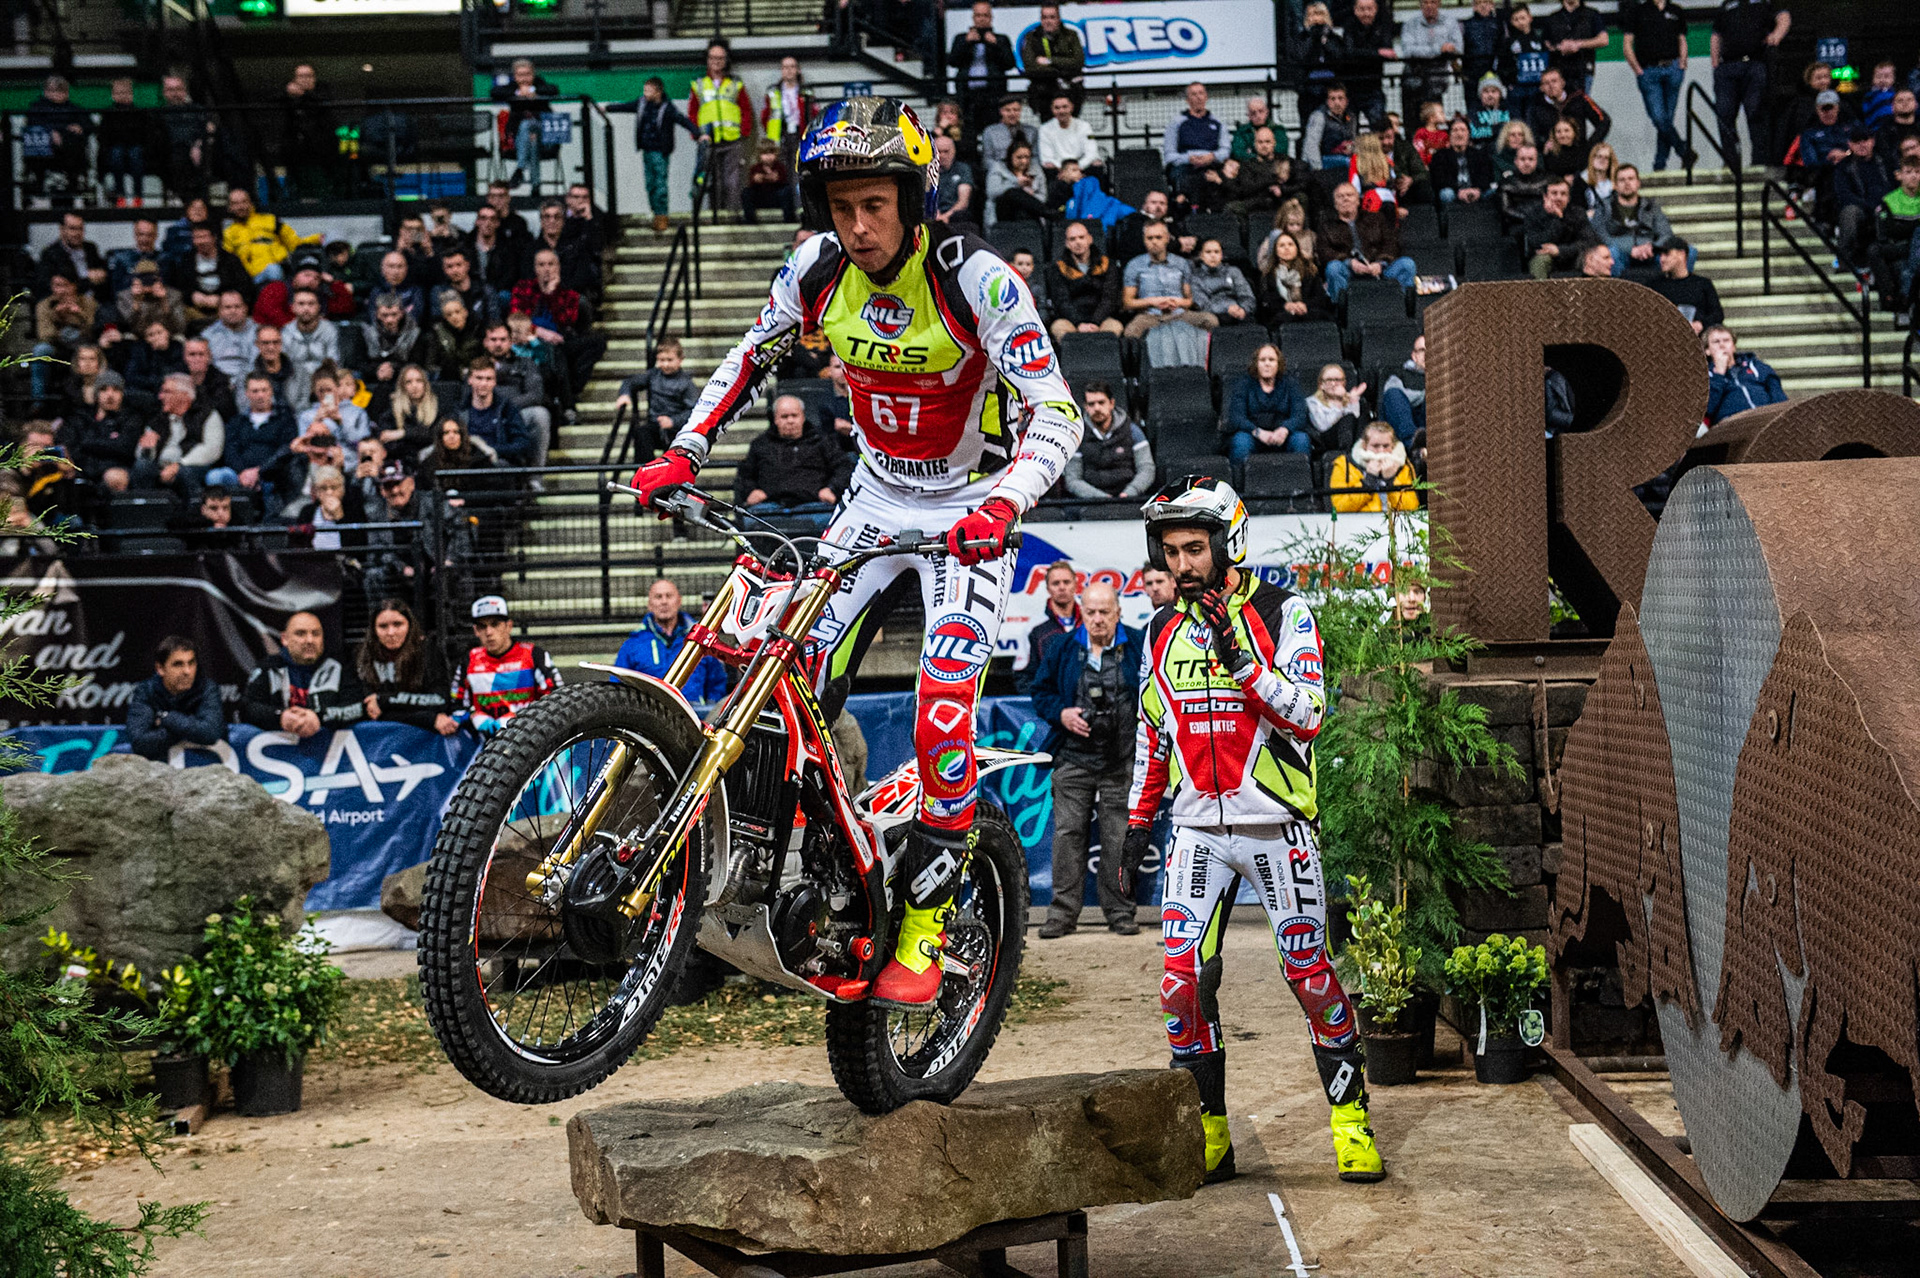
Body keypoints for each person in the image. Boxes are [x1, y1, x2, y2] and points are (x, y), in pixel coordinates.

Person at [628, 99, 1080, 1005]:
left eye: (876, 205)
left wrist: (1005, 502)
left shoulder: (978, 282)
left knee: (942, 713)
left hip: (969, 510)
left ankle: (923, 930)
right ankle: (782, 877)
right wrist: (685, 450)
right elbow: (751, 356)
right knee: (779, 680)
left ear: (914, 201)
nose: (859, 226)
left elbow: (1057, 412)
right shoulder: (815, 270)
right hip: (873, 500)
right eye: (842, 208)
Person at [1128, 475, 1382, 1186]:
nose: (1181, 565)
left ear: (1228, 544)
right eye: (1172, 551)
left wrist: (1241, 661)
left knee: (1310, 975)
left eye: (1195, 549)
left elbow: (1307, 713)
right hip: (1197, 834)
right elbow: (1156, 731)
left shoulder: (1284, 610)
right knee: (1180, 987)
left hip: (1277, 827)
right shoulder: (1157, 628)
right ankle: (1211, 1133)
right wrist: (1137, 820)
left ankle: (1350, 1122)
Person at [1031, 581, 1143, 938]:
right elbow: (1040, 691)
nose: (1097, 620)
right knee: (1068, 836)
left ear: (1118, 613)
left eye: (1104, 612)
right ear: (1082, 612)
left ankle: (1121, 913)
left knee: (1118, 837)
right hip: (1073, 758)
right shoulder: (1063, 647)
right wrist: (1061, 714)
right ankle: (1062, 916)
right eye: (1091, 612)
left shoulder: (1139, 645)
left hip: (1121, 759)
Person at [240, 610, 365, 739]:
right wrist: (281, 716)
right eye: (300, 634)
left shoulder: (340, 667)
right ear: (285, 639)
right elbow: (247, 709)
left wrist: (319, 717)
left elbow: (357, 708)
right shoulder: (269, 668)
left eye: (316, 634)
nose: (310, 640)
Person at [452, 595, 560, 734]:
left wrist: (520, 718)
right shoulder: (469, 660)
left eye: (495, 624)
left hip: (529, 736)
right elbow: (456, 706)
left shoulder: (534, 655)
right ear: (476, 631)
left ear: (508, 626)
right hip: (484, 741)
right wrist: (473, 716)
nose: (489, 632)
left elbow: (556, 699)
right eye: (482, 627)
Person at [734, 394, 850, 521]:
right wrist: (751, 491)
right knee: (752, 521)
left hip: (815, 506)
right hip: (770, 508)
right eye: (784, 416)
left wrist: (832, 489)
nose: (790, 421)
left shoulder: (823, 441)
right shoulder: (761, 444)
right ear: (775, 419)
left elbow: (843, 467)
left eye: (794, 415)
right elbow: (744, 475)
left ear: (803, 417)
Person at [612, 577, 728, 704]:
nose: (664, 602)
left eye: (669, 596)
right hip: (652, 718)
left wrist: (708, 711)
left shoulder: (699, 641)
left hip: (694, 717)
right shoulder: (633, 645)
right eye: (658, 597)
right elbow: (617, 686)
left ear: (679, 601)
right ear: (649, 604)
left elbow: (717, 682)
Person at [610, 75, 699, 235]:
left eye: (648, 90)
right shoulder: (642, 104)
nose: (645, 93)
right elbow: (626, 107)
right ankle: (655, 212)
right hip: (647, 150)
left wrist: (698, 133)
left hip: (660, 151)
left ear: (658, 91)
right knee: (650, 184)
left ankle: (661, 215)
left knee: (660, 184)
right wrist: (608, 108)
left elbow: (683, 120)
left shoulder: (668, 108)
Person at [1710, 0, 1789, 172]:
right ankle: (1731, 162)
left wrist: (1777, 35)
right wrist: (1715, 62)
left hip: (1755, 64)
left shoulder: (1765, 2)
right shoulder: (1726, 5)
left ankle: (1759, 161)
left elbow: (1783, 16)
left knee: (1756, 113)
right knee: (1724, 114)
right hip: (1728, 66)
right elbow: (1716, 34)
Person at [356, 599, 456, 734]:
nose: (391, 632)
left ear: (410, 625)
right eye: (383, 626)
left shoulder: (427, 652)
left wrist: (385, 700)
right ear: (374, 630)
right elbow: (370, 712)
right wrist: (428, 719)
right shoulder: (363, 657)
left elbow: (440, 701)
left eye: (398, 624)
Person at [125, 636, 225, 761]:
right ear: (160, 669)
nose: (187, 671)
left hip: (204, 770)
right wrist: (190, 728)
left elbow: (210, 733)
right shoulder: (146, 691)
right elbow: (140, 742)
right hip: (158, 772)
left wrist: (167, 718)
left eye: (191, 663)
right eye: (178, 664)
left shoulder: (207, 688)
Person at [1623, 0, 1695, 172]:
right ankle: (1684, 151)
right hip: (1648, 70)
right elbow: (1627, 43)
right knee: (1659, 118)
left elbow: (1682, 39)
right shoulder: (1638, 11)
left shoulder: (1676, 10)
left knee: (1666, 120)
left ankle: (1660, 164)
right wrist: (1637, 69)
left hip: (1673, 69)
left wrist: (1683, 63)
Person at [211, 372, 298, 508]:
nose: (260, 395)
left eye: (264, 390)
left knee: (280, 479)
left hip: (272, 473)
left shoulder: (285, 420)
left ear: (271, 392)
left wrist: (260, 471)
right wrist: (243, 473)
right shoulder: (237, 421)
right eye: (255, 391)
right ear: (247, 393)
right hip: (239, 474)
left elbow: (286, 450)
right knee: (215, 477)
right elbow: (230, 450)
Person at [687, 41, 754, 216]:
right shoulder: (699, 84)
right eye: (713, 57)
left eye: (720, 58)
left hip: (732, 140)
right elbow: (692, 112)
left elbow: (746, 109)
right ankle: (715, 217)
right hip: (708, 140)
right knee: (711, 182)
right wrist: (697, 135)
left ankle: (732, 216)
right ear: (708, 60)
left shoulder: (736, 84)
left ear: (726, 60)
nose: (716, 61)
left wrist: (744, 131)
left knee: (732, 181)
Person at [1319, 182, 1416, 301]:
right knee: (1333, 268)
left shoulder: (1376, 218)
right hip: (1348, 270)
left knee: (1407, 264)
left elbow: (1391, 243)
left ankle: (1407, 308)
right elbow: (1324, 252)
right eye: (1340, 196)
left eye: (1349, 195)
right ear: (1335, 204)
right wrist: (1350, 262)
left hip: (1379, 268)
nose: (1345, 199)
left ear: (1358, 200)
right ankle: (1340, 309)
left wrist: (1381, 263)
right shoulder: (1327, 226)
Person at [135, 373, 225, 499]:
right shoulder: (158, 419)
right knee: (142, 467)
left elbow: (212, 450)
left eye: (167, 392)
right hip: (161, 467)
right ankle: (146, 512)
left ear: (184, 395)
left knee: (186, 473)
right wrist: (147, 449)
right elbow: (141, 454)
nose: (160, 396)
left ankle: (194, 513)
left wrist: (179, 465)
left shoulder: (207, 415)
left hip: (192, 466)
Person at [1063, 382, 1153, 501]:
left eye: (1101, 402)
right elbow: (1072, 479)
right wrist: (1102, 498)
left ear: (1111, 403)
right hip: (1090, 503)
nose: (1097, 408)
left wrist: (1129, 493)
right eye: (1091, 404)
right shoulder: (1076, 435)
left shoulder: (1133, 431)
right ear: (1085, 407)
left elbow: (1147, 469)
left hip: (1130, 500)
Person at [1122, 220, 1211, 340]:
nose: (1154, 242)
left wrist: (1175, 302)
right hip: (1149, 316)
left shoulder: (1181, 263)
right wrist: (1153, 302)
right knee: (1130, 333)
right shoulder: (1134, 265)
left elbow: (1189, 300)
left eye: (1158, 237)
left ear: (1167, 239)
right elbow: (1128, 303)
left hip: (1179, 313)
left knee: (1210, 321)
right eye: (1150, 238)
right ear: (1144, 240)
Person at [1225, 344, 1309, 467]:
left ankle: (1301, 483)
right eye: (1262, 360)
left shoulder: (1291, 384)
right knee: (1240, 442)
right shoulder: (1243, 384)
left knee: (1301, 440)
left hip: (1283, 436)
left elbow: (1300, 414)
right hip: (1253, 434)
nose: (1267, 364)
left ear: (1278, 364)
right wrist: (1258, 432)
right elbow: (1236, 417)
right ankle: (1238, 484)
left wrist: (1285, 429)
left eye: (1271, 360)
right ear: (1256, 364)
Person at [613, 338, 696, 462]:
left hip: (677, 429)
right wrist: (625, 394)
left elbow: (694, 410)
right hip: (655, 425)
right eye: (662, 360)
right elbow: (631, 381)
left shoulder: (687, 383)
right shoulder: (653, 375)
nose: (666, 364)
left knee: (677, 447)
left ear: (680, 360)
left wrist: (673, 421)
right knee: (641, 433)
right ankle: (645, 474)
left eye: (670, 360)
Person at [1040, 221, 1123, 339]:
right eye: (1072, 239)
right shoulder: (1058, 268)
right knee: (1058, 328)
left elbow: (1109, 298)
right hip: (1071, 320)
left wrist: (1095, 322)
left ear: (1090, 239)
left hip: (1102, 319)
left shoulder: (1107, 264)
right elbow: (1062, 301)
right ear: (1067, 244)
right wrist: (1079, 323)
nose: (1077, 242)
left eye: (1081, 237)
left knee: (1115, 327)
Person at [491, 57, 561, 192]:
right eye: (520, 75)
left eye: (527, 74)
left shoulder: (540, 84)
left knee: (529, 127)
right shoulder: (512, 88)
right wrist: (518, 93)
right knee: (530, 137)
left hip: (546, 138)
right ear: (515, 76)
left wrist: (534, 92)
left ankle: (520, 169)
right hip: (518, 140)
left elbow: (553, 89)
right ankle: (536, 186)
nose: (524, 78)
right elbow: (494, 92)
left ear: (533, 74)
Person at [1592, 165, 1675, 276]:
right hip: (1619, 253)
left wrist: (1652, 247)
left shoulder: (1651, 207)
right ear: (1615, 185)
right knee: (1611, 253)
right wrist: (1630, 249)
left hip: (1649, 252)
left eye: (1631, 179)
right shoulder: (1604, 206)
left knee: (1688, 252)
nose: (1627, 183)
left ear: (1638, 183)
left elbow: (1666, 234)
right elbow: (1600, 234)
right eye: (1622, 180)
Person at [222, 188, 315, 286]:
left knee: (273, 269)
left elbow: (294, 242)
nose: (240, 207)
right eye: (235, 203)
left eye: (244, 202)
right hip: (249, 278)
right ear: (230, 207)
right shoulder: (228, 232)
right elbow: (227, 259)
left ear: (251, 203)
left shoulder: (270, 220)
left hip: (276, 270)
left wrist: (317, 238)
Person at [948, 1, 1016, 133]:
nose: (982, 19)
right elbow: (953, 62)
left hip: (992, 96)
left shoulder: (1001, 39)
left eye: (985, 15)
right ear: (973, 18)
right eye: (978, 15)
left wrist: (995, 44)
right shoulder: (961, 38)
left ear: (991, 18)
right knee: (968, 131)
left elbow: (1009, 63)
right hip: (967, 96)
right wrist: (967, 43)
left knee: (992, 131)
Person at [460, 359, 537, 468]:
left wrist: (492, 449)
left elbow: (522, 444)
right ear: (470, 380)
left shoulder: (506, 408)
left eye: (488, 379)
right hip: (468, 465)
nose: (483, 383)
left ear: (495, 382)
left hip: (499, 464)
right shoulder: (460, 410)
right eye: (479, 378)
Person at [1834, 128, 1892, 272]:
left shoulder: (1886, 161)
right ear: (1850, 144)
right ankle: (1844, 260)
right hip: (1862, 210)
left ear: (1872, 141)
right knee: (1850, 212)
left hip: (1890, 206)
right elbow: (1844, 195)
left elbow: (1897, 186)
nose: (1861, 145)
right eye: (1856, 142)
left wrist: (1885, 205)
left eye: (1865, 140)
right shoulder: (1843, 167)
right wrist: (1870, 207)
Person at [1330, 420, 1419, 512]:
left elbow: (1412, 508)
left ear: (1393, 445)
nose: (1381, 451)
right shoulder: (1343, 464)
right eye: (1375, 446)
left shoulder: (1404, 466)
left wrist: (1391, 481)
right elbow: (1339, 508)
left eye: (1386, 446)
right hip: (1360, 523)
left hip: (1394, 522)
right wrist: (1369, 481)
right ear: (1364, 445)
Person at [1162, 82, 1226, 208]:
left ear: (1206, 97)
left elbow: (1225, 150)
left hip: (1211, 163)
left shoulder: (1218, 122)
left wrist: (1212, 157)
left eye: (1201, 93)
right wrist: (1188, 158)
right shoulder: (1176, 123)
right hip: (1185, 166)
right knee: (1189, 179)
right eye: (1194, 94)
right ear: (1187, 100)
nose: (1198, 97)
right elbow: (1169, 155)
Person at [1704, 324, 1785, 424]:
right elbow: (1707, 409)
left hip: (1765, 417)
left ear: (1733, 346)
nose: (1722, 345)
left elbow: (1778, 395)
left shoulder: (1756, 366)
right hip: (1731, 423)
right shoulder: (1705, 376)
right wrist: (1719, 374)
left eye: (1726, 340)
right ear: (1707, 350)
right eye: (1716, 342)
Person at [1398, 0, 1464, 120]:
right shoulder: (1410, 24)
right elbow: (1408, 51)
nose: (1429, 6)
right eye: (1425, 2)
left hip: (1438, 81)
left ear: (1439, 3)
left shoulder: (1450, 22)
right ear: (1420, 5)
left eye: (1433, 2)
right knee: (1412, 122)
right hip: (1413, 80)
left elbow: (1458, 48)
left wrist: (1446, 49)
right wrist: (1439, 49)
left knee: (1434, 121)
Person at [1023, 560, 1081, 689]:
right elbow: (1024, 676)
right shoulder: (1035, 628)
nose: (1062, 587)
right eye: (1056, 583)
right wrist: (1045, 702)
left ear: (1076, 585)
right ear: (1048, 588)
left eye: (1066, 582)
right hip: (1052, 704)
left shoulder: (1091, 621)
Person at [1524, 177, 1599, 278]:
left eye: (1563, 194)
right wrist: (1557, 220)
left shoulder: (1578, 213)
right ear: (1545, 196)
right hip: (1547, 258)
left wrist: (1559, 250)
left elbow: (1588, 242)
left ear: (1568, 198)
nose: (1558, 197)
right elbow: (1537, 243)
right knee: (1540, 260)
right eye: (1554, 193)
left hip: (1572, 256)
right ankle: (1540, 293)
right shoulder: (1533, 214)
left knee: (1593, 257)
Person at [1020, 4, 1085, 116]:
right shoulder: (1031, 38)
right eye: (1044, 17)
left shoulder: (1071, 35)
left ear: (1058, 19)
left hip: (1071, 92)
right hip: (1043, 93)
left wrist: (1050, 61)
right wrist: (1060, 71)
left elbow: (1078, 62)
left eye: (1052, 17)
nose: (1048, 21)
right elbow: (1030, 68)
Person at [1651, 237, 1724, 332]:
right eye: (1660, 255)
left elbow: (1717, 314)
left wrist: (1700, 324)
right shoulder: (1654, 285)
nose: (1662, 259)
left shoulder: (1702, 284)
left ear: (1681, 254)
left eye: (1667, 254)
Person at [1259, 231, 1331, 327]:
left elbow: (1320, 298)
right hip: (1281, 315)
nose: (1287, 248)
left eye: (1290, 244)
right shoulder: (1269, 274)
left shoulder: (1310, 270)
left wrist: (1304, 305)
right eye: (1282, 245)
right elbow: (1267, 300)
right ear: (1275, 251)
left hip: (1308, 312)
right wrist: (1286, 306)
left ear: (1297, 248)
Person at [1539, 0, 1608, 94]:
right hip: (1558, 72)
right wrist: (1559, 47)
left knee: (1579, 105)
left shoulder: (1592, 14)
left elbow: (1603, 40)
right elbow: (1545, 43)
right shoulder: (1553, 18)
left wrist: (1578, 44)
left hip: (1583, 69)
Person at [1303, 363, 1367, 456]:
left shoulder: (1348, 399)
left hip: (1350, 438)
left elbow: (1356, 423)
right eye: (1329, 380)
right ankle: (1347, 455)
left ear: (1344, 383)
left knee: (1361, 418)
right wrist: (1338, 405)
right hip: (1326, 440)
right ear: (1321, 384)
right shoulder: (1312, 402)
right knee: (1348, 419)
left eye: (1338, 380)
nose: (1333, 384)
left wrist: (1353, 401)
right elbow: (1323, 426)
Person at [1189, 240, 1257, 325]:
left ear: (1221, 255)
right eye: (1208, 252)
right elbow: (1203, 305)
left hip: (1238, 313)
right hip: (1213, 317)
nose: (1213, 255)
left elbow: (1247, 296)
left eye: (1216, 252)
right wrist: (1227, 309)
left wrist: (1243, 309)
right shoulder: (1195, 277)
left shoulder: (1233, 271)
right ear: (1201, 255)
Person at [1431, 117, 1495, 204]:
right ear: (1449, 135)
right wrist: (1459, 191)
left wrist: (1477, 190)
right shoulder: (1440, 155)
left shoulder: (1479, 154)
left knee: (1494, 191)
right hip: (1454, 192)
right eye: (1455, 130)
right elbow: (1440, 179)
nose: (1459, 134)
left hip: (1476, 191)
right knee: (1446, 194)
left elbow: (1487, 176)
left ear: (1468, 134)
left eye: (1463, 130)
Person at [1379, 332, 1428, 444]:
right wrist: (1423, 395)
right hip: (1404, 421)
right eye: (1422, 350)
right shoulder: (1399, 374)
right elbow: (1394, 399)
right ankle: (1413, 444)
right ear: (1414, 356)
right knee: (1393, 394)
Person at [1038, 95, 1102, 178]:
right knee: (1048, 167)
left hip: (1081, 167)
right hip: (1058, 170)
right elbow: (1046, 158)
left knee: (1097, 165)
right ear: (1052, 110)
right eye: (1057, 108)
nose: (1061, 111)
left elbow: (1092, 153)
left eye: (1065, 107)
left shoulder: (1086, 126)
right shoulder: (1044, 129)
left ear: (1071, 107)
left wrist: (1074, 170)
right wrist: (1067, 170)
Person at [744, 141, 798, 224]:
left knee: (786, 191)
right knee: (746, 193)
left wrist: (768, 177)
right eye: (765, 153)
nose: (768, 157)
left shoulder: (779, 167)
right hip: (761, 197)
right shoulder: (755, 168)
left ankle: (789, 220)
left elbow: (781, 180)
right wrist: (762, 178)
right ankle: (750, 221)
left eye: (771, 153)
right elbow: (753, 182)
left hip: (776, 197)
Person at [933, 134, 977, 227]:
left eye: (946, 151)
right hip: (932, 213)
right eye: (939, 151)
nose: (942, 155)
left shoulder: (963, 169)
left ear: (954, 151)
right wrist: (936, 215)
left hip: (954, 214)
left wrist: (945, 216)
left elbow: (963, 201)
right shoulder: (926, 171)